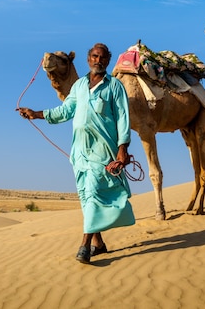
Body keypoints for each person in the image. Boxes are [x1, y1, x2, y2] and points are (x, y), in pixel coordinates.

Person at [18, 43, 135, 264]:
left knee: (92, 191)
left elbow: (122, 118)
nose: (98, 60)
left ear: (108, 61)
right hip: (79, 151)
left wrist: (123, 148)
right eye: (94, 56)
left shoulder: (114, 87)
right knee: (85, 196)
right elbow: (65, 111)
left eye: (102, 57)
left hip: (103, 150)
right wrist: (36, 114)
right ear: (88, 59)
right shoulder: (80, 86)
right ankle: (98, 244)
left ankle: (84, 246)